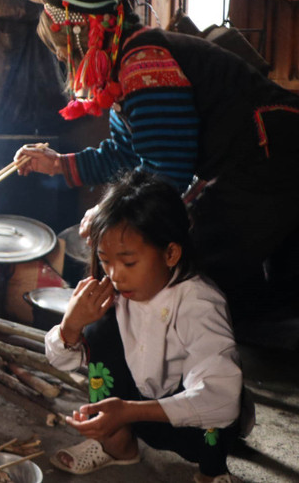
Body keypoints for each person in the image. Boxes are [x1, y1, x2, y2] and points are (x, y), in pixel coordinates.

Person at [14, 0, 299, 329]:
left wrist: (108, 212)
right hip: (255, 158)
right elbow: (127, 152)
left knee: (205, 250)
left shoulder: (145, 62)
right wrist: (60, 163)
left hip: (271, 153)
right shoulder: (123, 66)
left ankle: (240, 360)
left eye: (65, 44)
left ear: (87, 32)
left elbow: (167, 171)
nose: (64, 55)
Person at [45, 169, 250, 483]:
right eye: (105, 260)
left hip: (194, 426)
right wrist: (71, 324)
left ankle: (213, 473)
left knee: (217, 411)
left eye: (128, 262)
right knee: (98, 330)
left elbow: (219, 400)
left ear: (170, 253)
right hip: (132, 409)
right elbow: (62, 360)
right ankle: (118, 447)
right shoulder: (112, 292)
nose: (115, 275)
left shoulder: (199, 303)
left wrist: (129, 411)